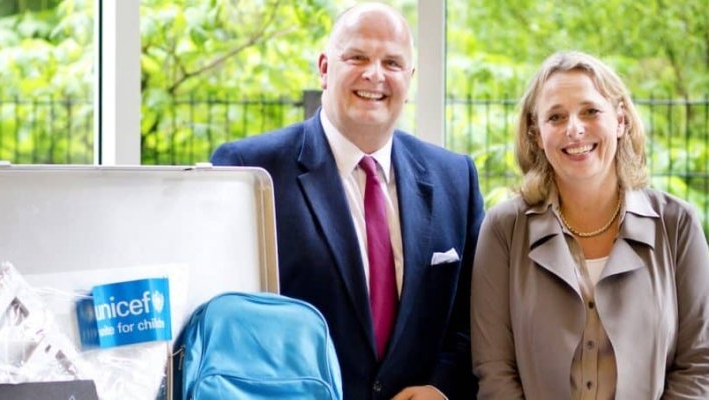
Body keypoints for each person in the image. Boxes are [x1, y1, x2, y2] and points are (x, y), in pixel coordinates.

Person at [211, 3, 483, 399]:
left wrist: (441, 387)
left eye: (392, 62)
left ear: (410, 78)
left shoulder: (454, 178)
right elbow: (221, 318)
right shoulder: (250, 171)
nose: (375, 74)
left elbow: (475, 320)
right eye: (357, 57)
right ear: (324, 68)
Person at [471, 50, 709, 399]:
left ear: (620, 120)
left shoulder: (678, 225)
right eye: (555, 117)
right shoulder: (504, 229)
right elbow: (494, 371)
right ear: (537, 135)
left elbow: (700, 363)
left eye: (590, 111)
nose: (575, 129)